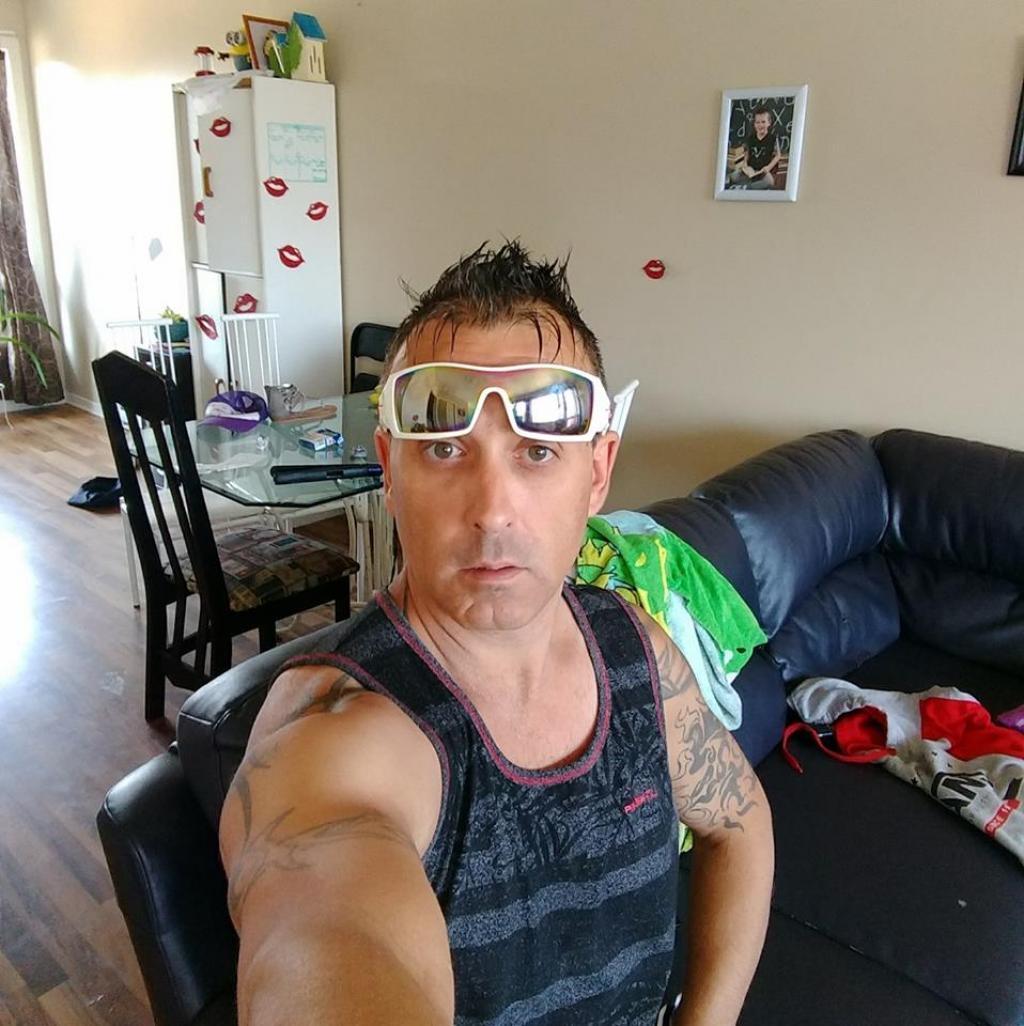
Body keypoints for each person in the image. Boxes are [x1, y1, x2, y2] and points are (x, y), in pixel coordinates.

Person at [220, 240, 774, 1026]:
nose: (492, 510)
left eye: (538, 452)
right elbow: (323, 935)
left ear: (598, 472)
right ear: (390, 469)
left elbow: (742, 827)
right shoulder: (336, 737)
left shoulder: (636, 649)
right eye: (446, 449)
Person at [728, 106, 782, 190]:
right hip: (751, 170)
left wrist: (768, 168)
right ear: (754, 124)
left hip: (762, 171)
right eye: (757, 122)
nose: (760, 125)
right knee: (733, 176)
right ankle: (748, 184)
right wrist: (745, 166)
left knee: (769, 182)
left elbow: (778, 155)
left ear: (769, 123)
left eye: (763, 122)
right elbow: (747, 154)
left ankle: (746, 187)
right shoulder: (750, 139)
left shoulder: (773, 138)